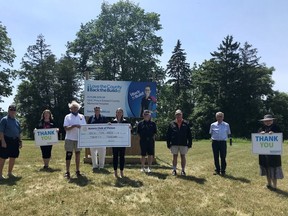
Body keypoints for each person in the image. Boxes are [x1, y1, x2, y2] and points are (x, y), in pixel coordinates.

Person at [258, 114, 284, 190]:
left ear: (272, 121)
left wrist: (274, 134)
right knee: (266, 168)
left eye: (269, 120)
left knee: (273, 169)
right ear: (263, 122)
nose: (268, 122)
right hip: (264, 153)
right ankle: (269, 184)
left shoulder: (277, 128)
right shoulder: (261, 128)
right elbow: (257, 139)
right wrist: (260, 134)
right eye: (266, 121)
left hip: (273, 154)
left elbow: (281, 139)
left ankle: (275, 186)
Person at [63, 101, 86, 179]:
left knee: (78, 154)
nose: (75, 109)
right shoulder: (67, 116)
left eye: (76, 107)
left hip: (78, 138)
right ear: (71, 109)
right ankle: (67, 171)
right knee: (68, 155)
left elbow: (85, 127)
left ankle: (77, 170)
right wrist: (74, 126)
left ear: (78, 108)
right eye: (73, 108)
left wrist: (82, 128)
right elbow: (66, 128)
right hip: (69, 138)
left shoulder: (82, 116)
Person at [166, 109, 192, 176]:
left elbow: (189, 134)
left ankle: (183, 170)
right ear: (175, 115)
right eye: (177, 114)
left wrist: (190, 143)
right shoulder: (171, 123)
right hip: (174, 143)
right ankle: (174, 170)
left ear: (182, 115)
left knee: (183, 156)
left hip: (183, 143)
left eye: (179, 114)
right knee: (175, 156)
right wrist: (168, 143)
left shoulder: (186, 123)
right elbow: (168, 134)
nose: (178, 116)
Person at [0, 105, 22, 179]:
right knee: (3, 157)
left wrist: (20, 141)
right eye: (11, 110)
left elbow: (18, 132)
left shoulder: (17, 121)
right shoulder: (4, 120)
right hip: (6, 140)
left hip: (15, 141)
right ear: (8, 110)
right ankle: (0, 174)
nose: (12, 111)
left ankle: (10, 173)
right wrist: (3, 141)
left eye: (14, 110)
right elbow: (1, 131)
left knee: (13, 157)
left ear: (15, 111)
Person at [209, 112, 231, 176]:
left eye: (221, 116)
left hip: (223, 142)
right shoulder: (212, 125)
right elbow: (211, 133)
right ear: (216, 117)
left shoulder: (226, 125)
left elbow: (228, 133)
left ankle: (223, 170)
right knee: (216, 157)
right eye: (218, 116)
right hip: (215, 142)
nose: (219, 118)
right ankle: (217, 170)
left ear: (223, 117)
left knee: (223, 157)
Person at [88, 106, 108, 171]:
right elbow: (88, 127)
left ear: (100, 111)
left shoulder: (104, 118)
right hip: (93, 138)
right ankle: (94, 165)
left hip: (102, 138)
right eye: (96, 110)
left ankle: (101, 166)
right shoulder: (91, 118)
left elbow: (106, 127)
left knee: (102, 151)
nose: (97, 111)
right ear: (94, 111)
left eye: (98, 110)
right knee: (93, 152)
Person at [111, 108, 130, 178]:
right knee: (115, 157)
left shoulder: (125, 122)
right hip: (115, 142)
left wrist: (130, 128)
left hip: (122, 142)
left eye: (120, 112)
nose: (119, 113)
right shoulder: (113, 122)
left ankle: (121, 171)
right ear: (116, 113)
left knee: (122, 157)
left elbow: (128, 131)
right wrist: (108, 126)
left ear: (122, 113)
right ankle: (115, 172)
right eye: (118, 112)